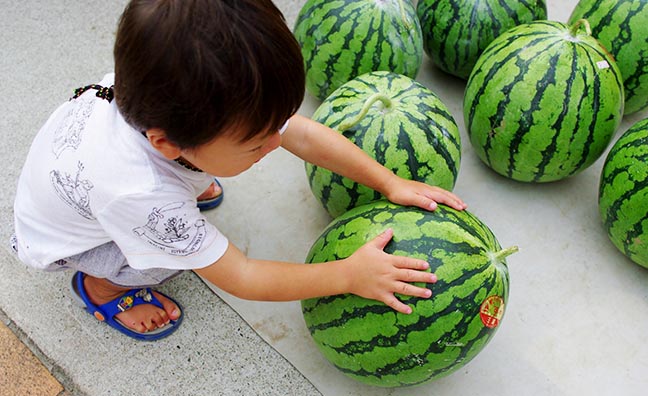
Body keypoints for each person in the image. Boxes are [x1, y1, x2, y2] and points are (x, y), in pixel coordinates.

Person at [12, 0, 467, 341]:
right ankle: (101, 288)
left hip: (91, 184)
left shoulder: (166, 92)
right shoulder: (139, 196)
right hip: (75, 240)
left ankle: (188, 184)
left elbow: (301, 135)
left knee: (173, 210)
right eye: (256, 143)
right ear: (168, 145)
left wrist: (389, 181)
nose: (277, 143)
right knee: (163, 259)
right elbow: (242, 275)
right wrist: (348, 274)